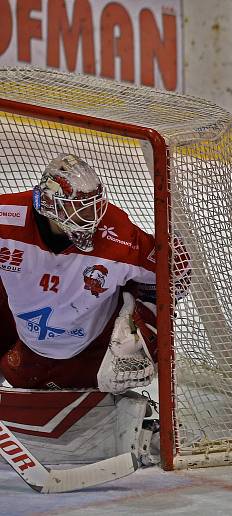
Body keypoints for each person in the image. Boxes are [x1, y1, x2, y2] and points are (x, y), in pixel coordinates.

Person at [0, 153, 159, 394]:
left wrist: (143, 323)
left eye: (95, 205)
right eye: (81, 209)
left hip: (92, 354)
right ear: (50, 204)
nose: (93, 217)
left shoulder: (118, 233)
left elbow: (174, 274)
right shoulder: (6, 216)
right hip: (21, 344)